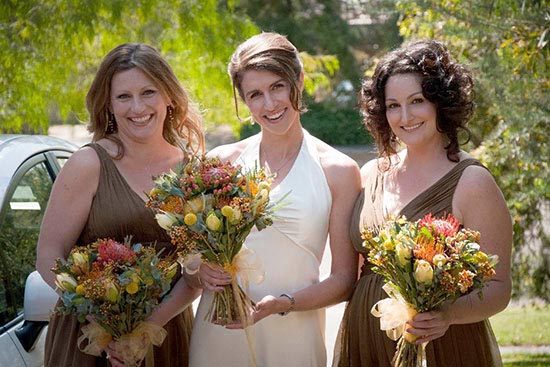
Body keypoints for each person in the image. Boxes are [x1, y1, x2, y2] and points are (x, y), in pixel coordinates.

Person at [184, 32, 362, 367]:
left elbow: (343, 280)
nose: (269, 104)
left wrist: (284, 303)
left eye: (277, 87)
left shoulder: (339, 171)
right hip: (220, 331)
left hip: (294, 335)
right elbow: (191, 263)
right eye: (255, 94)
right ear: (243, 101)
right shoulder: (221, 163)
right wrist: (199, 272)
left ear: (300, 80)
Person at [333, 39, 512, 367]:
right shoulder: (372, 172)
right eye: (393, 105)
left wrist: (446, 315)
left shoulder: (472, 182)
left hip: (443, 346)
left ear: (441, 102)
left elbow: (499, 287)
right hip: (366, 338)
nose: (405, 116)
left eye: (417, 101)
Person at [36, 43, 204, 367]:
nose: (137, 107)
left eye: (148, 92)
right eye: (123, 97)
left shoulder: (191, 170)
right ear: (109, 105)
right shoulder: (88, 164)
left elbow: (194, 273)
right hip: (89, 340)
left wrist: (145, 329)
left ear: (169, 96)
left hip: (165, 334)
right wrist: (105, 324)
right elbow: (49, 254)